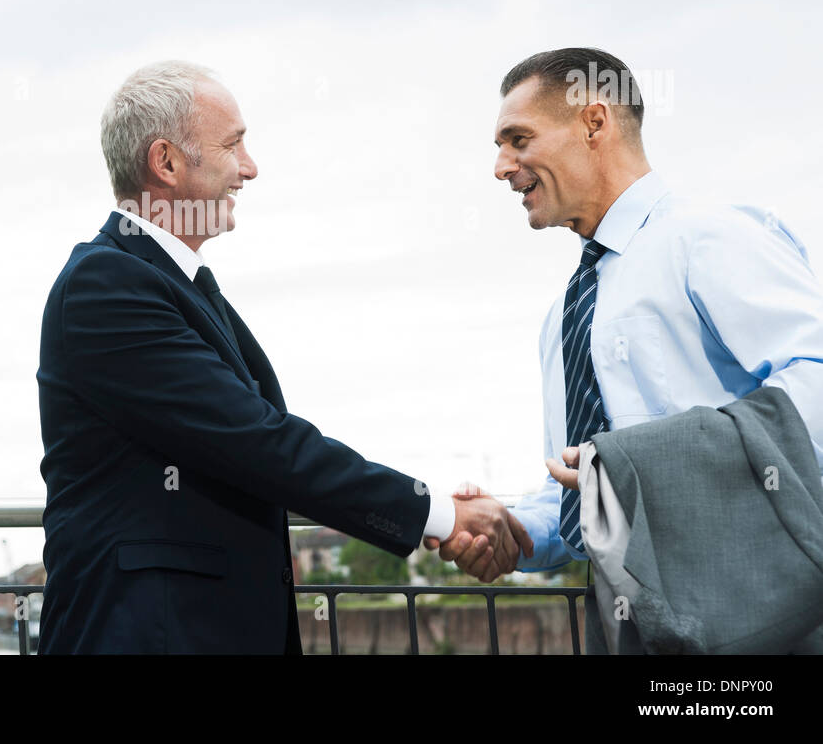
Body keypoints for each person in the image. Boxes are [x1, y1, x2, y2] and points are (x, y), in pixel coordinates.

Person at [36, 60, 532, 653]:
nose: (249, 167)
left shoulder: (169, 282)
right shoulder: (106, 286)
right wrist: (440, 516)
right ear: (165, 162)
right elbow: (256, 442)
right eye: (234, 144)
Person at [435, 46, 823, 587]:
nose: (500, 167)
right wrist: (512, 531)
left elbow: (815, 380)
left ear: (594, 123)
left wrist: (648, 465)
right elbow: (573, 490)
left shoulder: (710, 238)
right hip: (629, 618)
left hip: (759, 602)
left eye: (518, 140)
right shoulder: (563, 315)